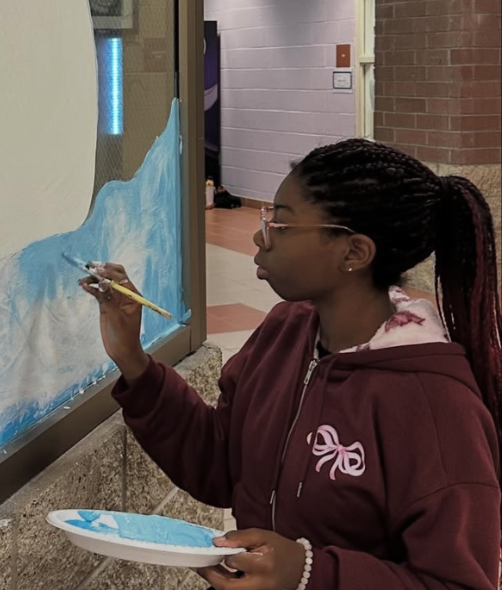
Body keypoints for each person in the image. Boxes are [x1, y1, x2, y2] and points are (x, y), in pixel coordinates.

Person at [82, 139, 502, 590]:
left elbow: (457, 582)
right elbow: (221, 465)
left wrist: (308, 573)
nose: (261, 235)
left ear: (353, 253)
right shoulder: (286, 331)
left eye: (280, 223)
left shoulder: (436, 404)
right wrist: (135, 362)